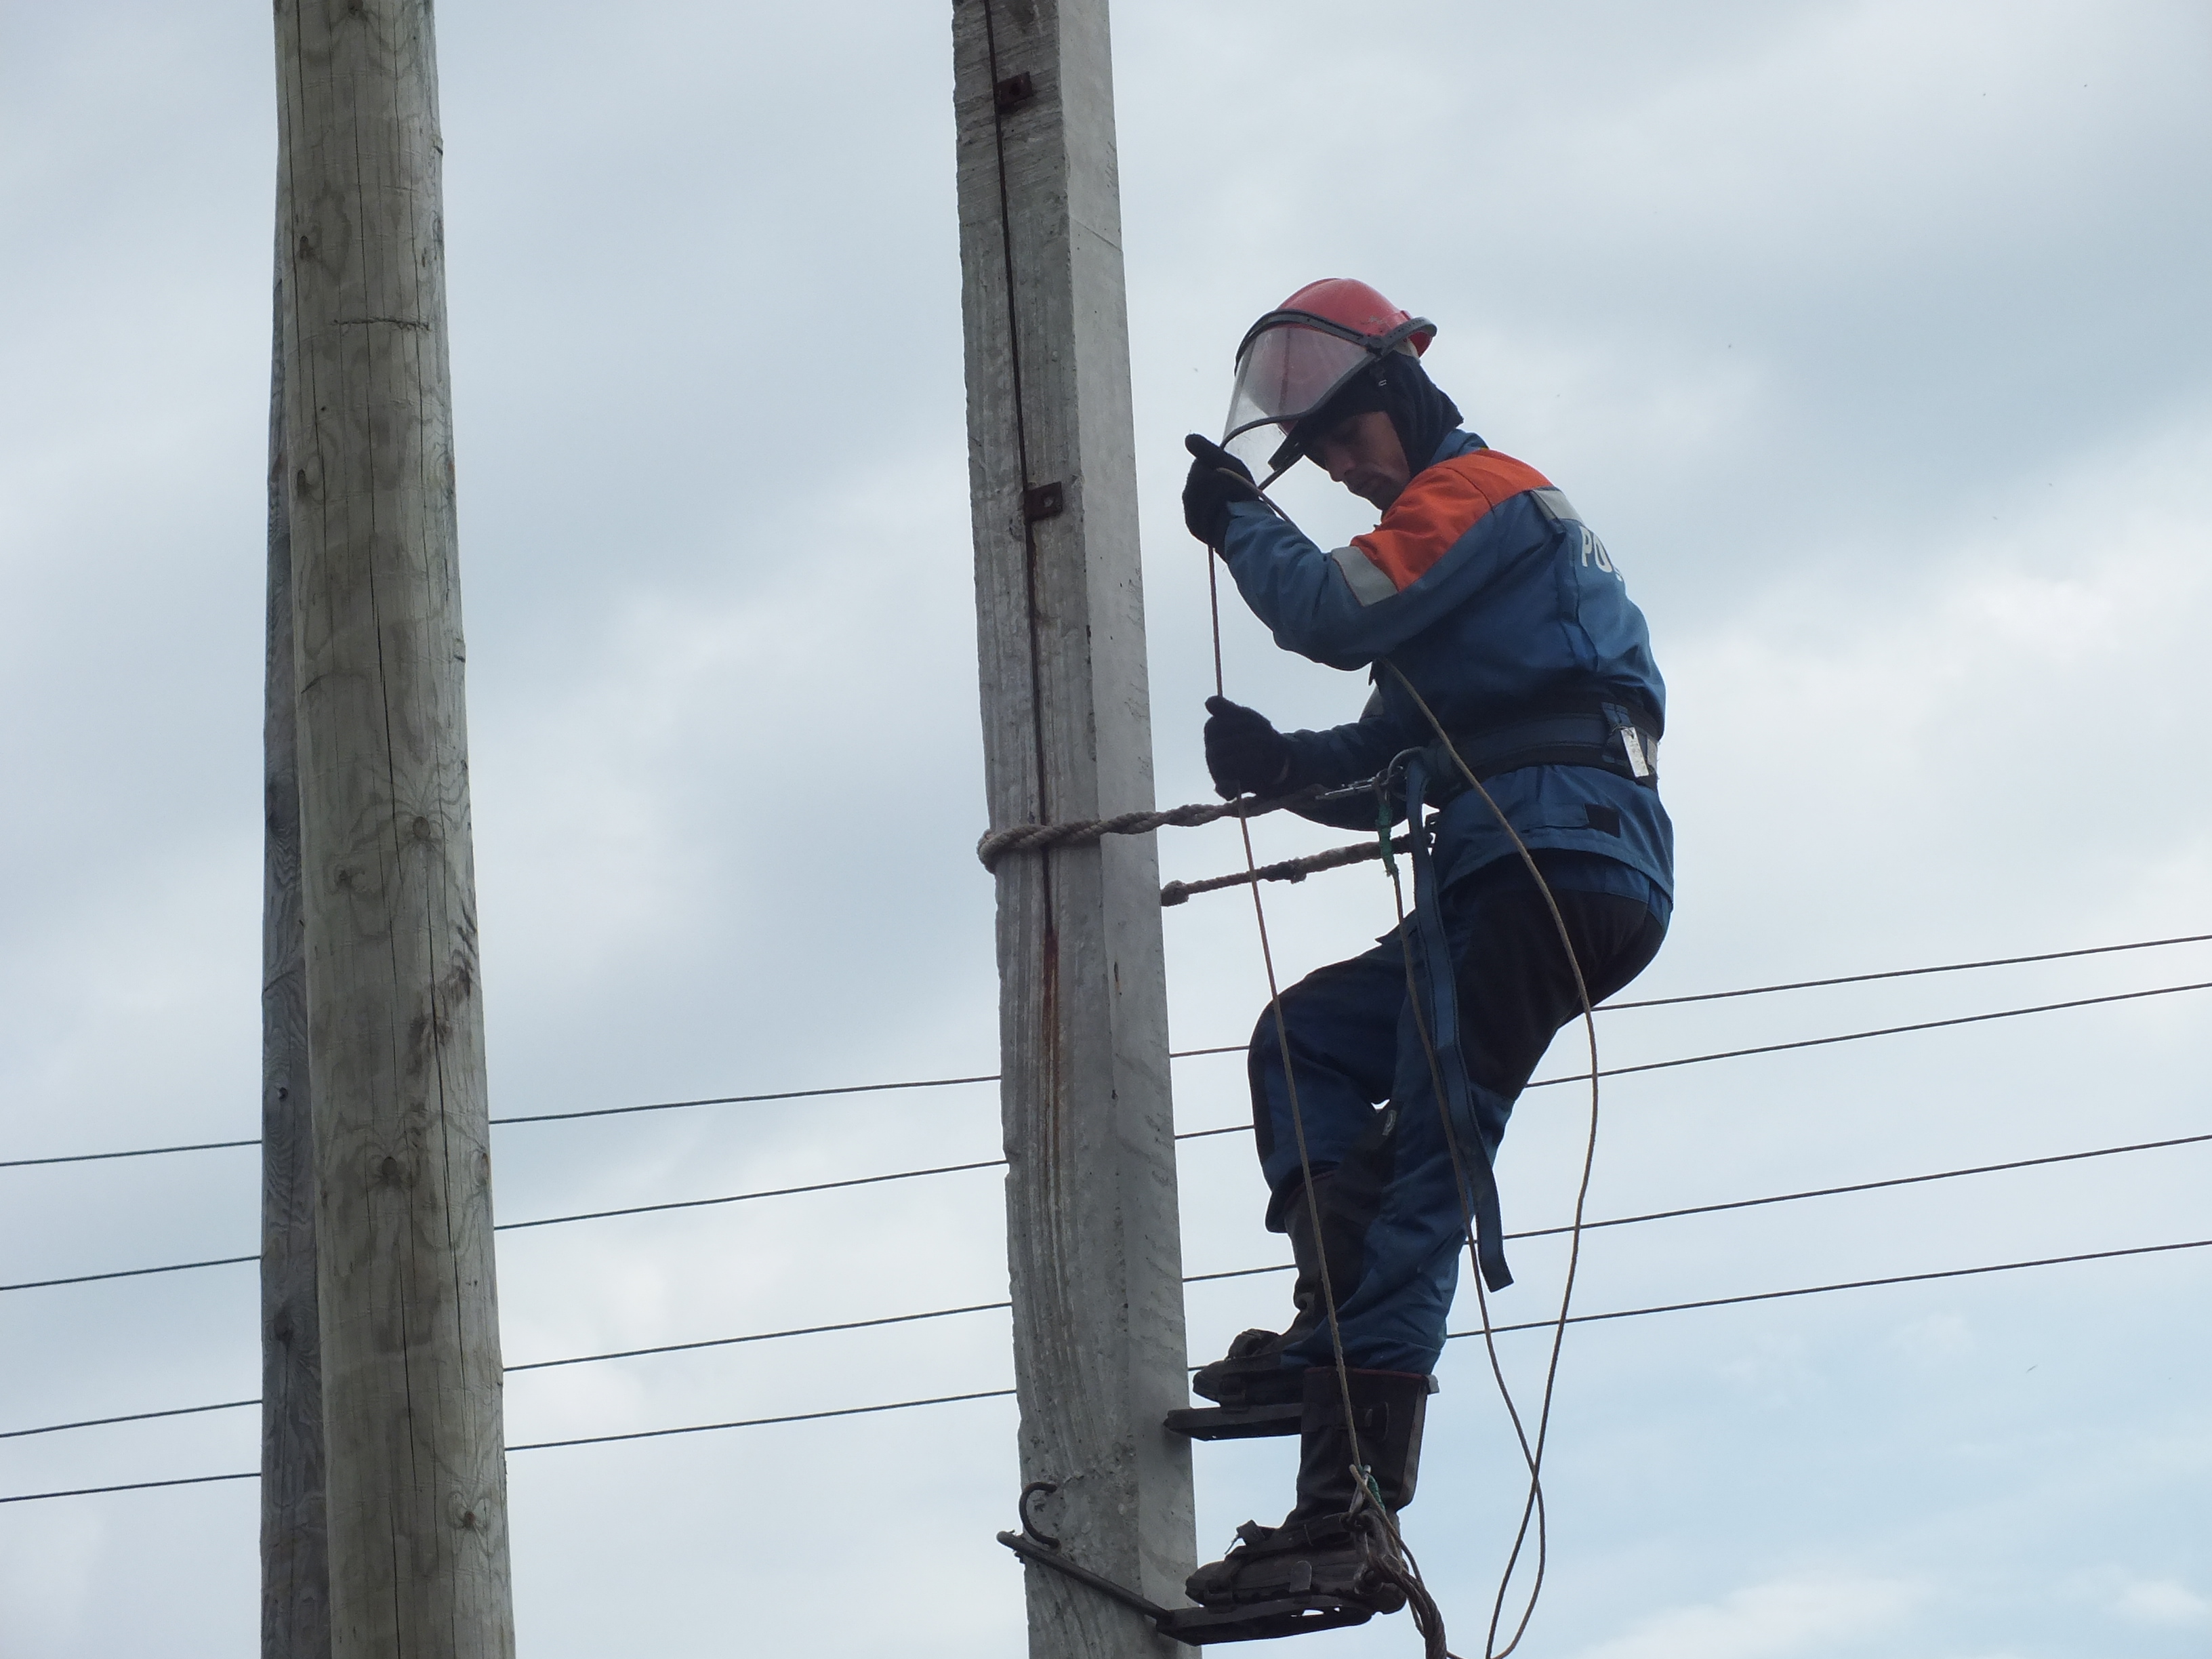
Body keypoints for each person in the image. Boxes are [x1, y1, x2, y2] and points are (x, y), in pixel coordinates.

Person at [1176, 279, 1675, 1614]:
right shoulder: (1462, 565)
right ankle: (1336, 1323)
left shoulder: (1479, 497)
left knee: (1423, 1171)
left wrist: (1241, 523)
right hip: (1524, 857)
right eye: (1319, 456)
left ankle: (1349, 1511)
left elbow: (1334, 615)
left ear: (1395, 393)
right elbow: (1394, 744)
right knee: (1306, 1043)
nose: (1338, 471)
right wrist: (1282, 764)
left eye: (1343, 438)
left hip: (1552, 857)